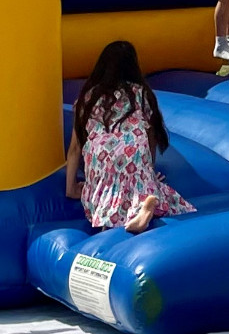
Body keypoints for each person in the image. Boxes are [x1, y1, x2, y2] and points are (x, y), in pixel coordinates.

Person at [65, 41, 195, 233]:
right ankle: (145, 205)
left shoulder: (87, 96)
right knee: (140, 187)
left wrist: (71, 187)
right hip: (132, 150)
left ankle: (108, 224)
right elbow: (149, 137)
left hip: (100, 155)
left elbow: (75, 148)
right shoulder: (140, 93)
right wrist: (148, 172)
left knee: (101, 196)